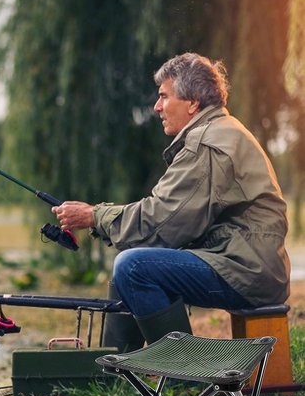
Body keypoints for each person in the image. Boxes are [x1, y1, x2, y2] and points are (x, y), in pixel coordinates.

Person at [52, 52, 291, 352]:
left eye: (164, 97)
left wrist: (94, 216)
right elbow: (171, 223)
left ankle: (186, 370)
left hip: (247, 271)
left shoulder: (207, 142)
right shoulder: (220, 131)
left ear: (192, 103)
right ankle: (113, 369)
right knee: (134, 260)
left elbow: (160, 222)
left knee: (133, 265)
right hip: (251, 265)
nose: (157, 106)